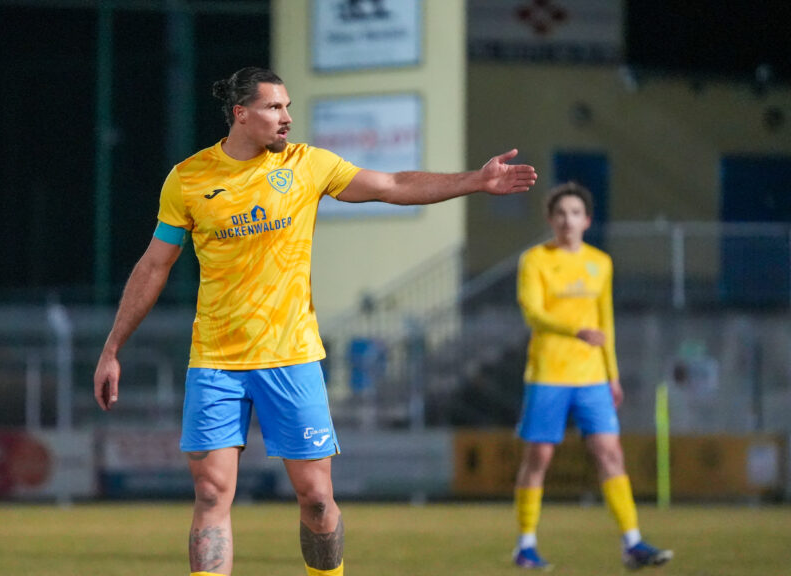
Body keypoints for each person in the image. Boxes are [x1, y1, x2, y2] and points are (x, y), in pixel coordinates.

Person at [93, 66, 537, 576]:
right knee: (212, 493)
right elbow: (155, 265)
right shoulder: (188, 178)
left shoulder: (308, 165)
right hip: (215, 359)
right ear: (241, 115)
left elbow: (392, 184)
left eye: (288, 108)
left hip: (292, 356)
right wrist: (113, 348)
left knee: (318, 499)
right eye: (274, 108)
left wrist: (476, 181)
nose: (286, 118)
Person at [512, 182, 673, 571]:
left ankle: (632, 543)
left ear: (587, 220)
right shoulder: (534, 260)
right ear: (551, 220)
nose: (568, 220)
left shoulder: (600, 262)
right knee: (539, 457)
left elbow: (606, 324)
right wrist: (574, 331)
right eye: (560, 213)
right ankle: (526, 544)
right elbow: (532, 313)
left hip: (593, 377)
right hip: (548, 372)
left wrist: (612, 374)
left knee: (610, 452)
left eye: (575, 213)